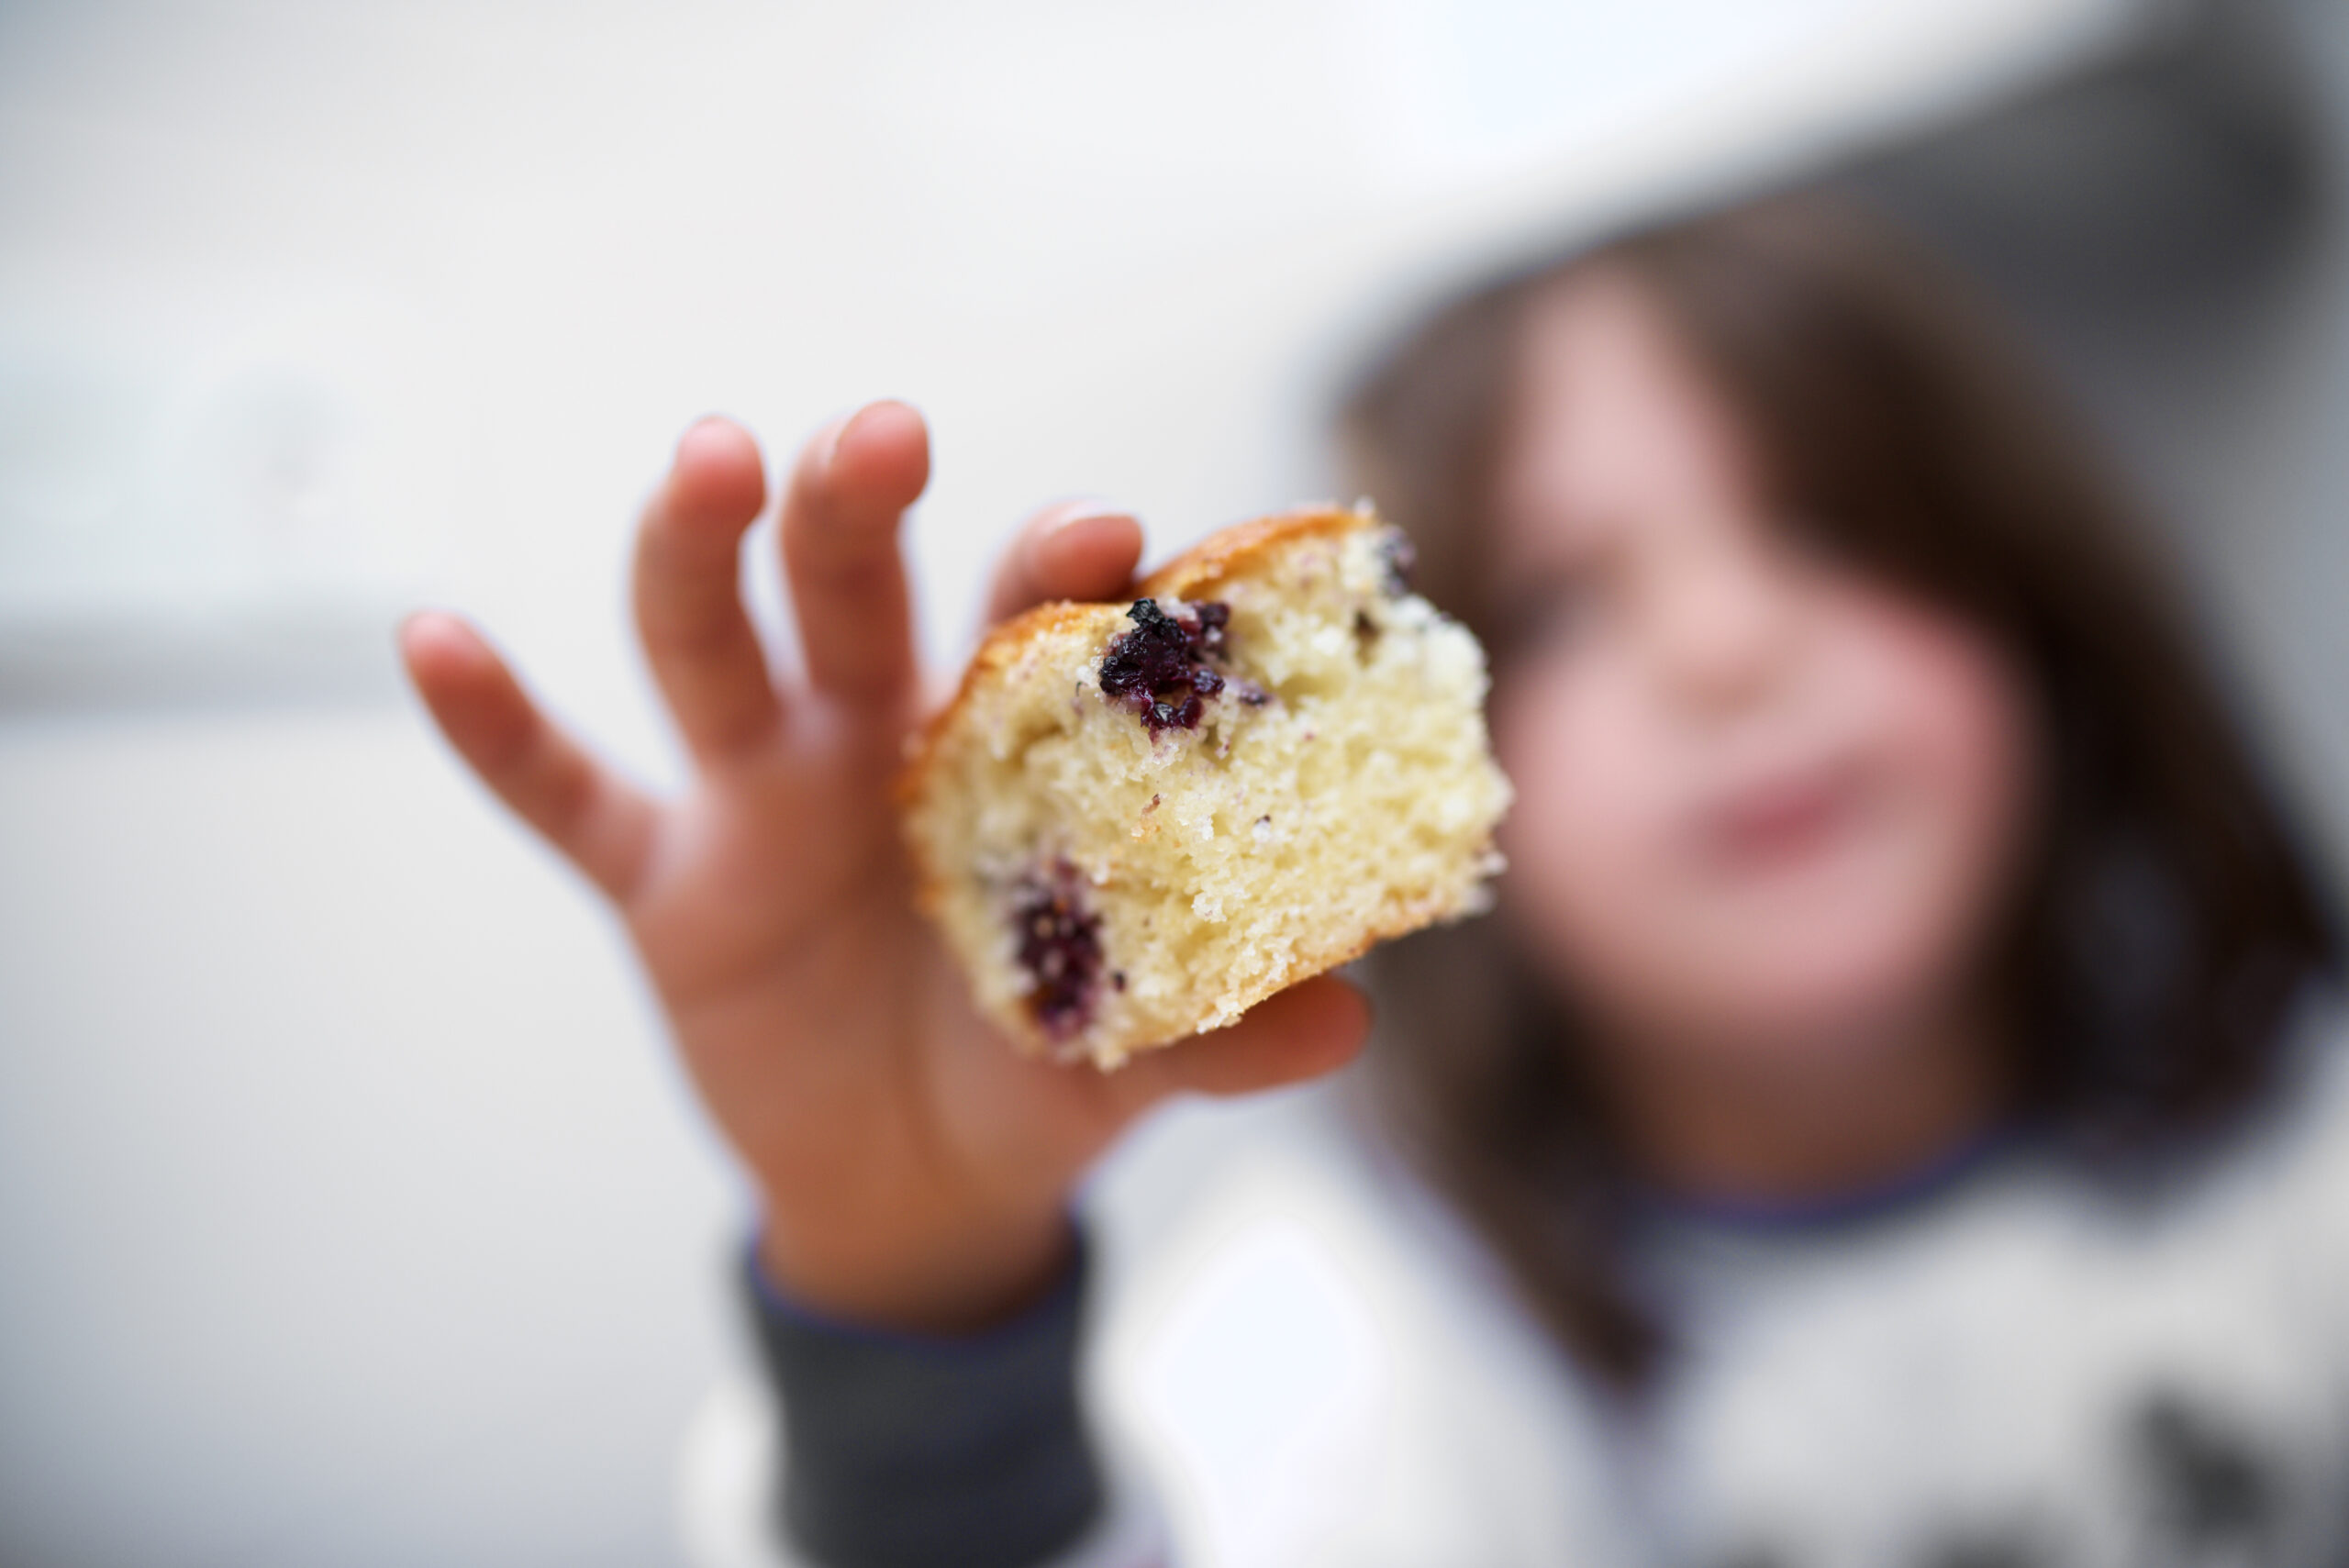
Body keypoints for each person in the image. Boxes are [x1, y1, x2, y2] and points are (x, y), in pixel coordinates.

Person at [400, 195, 2346, 1567]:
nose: (1727, 649)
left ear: (2036, 606)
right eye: (1562, 602)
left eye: (1834, 528)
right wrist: (913, 1291)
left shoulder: (2306, 1164)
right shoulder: (1354, 1353)